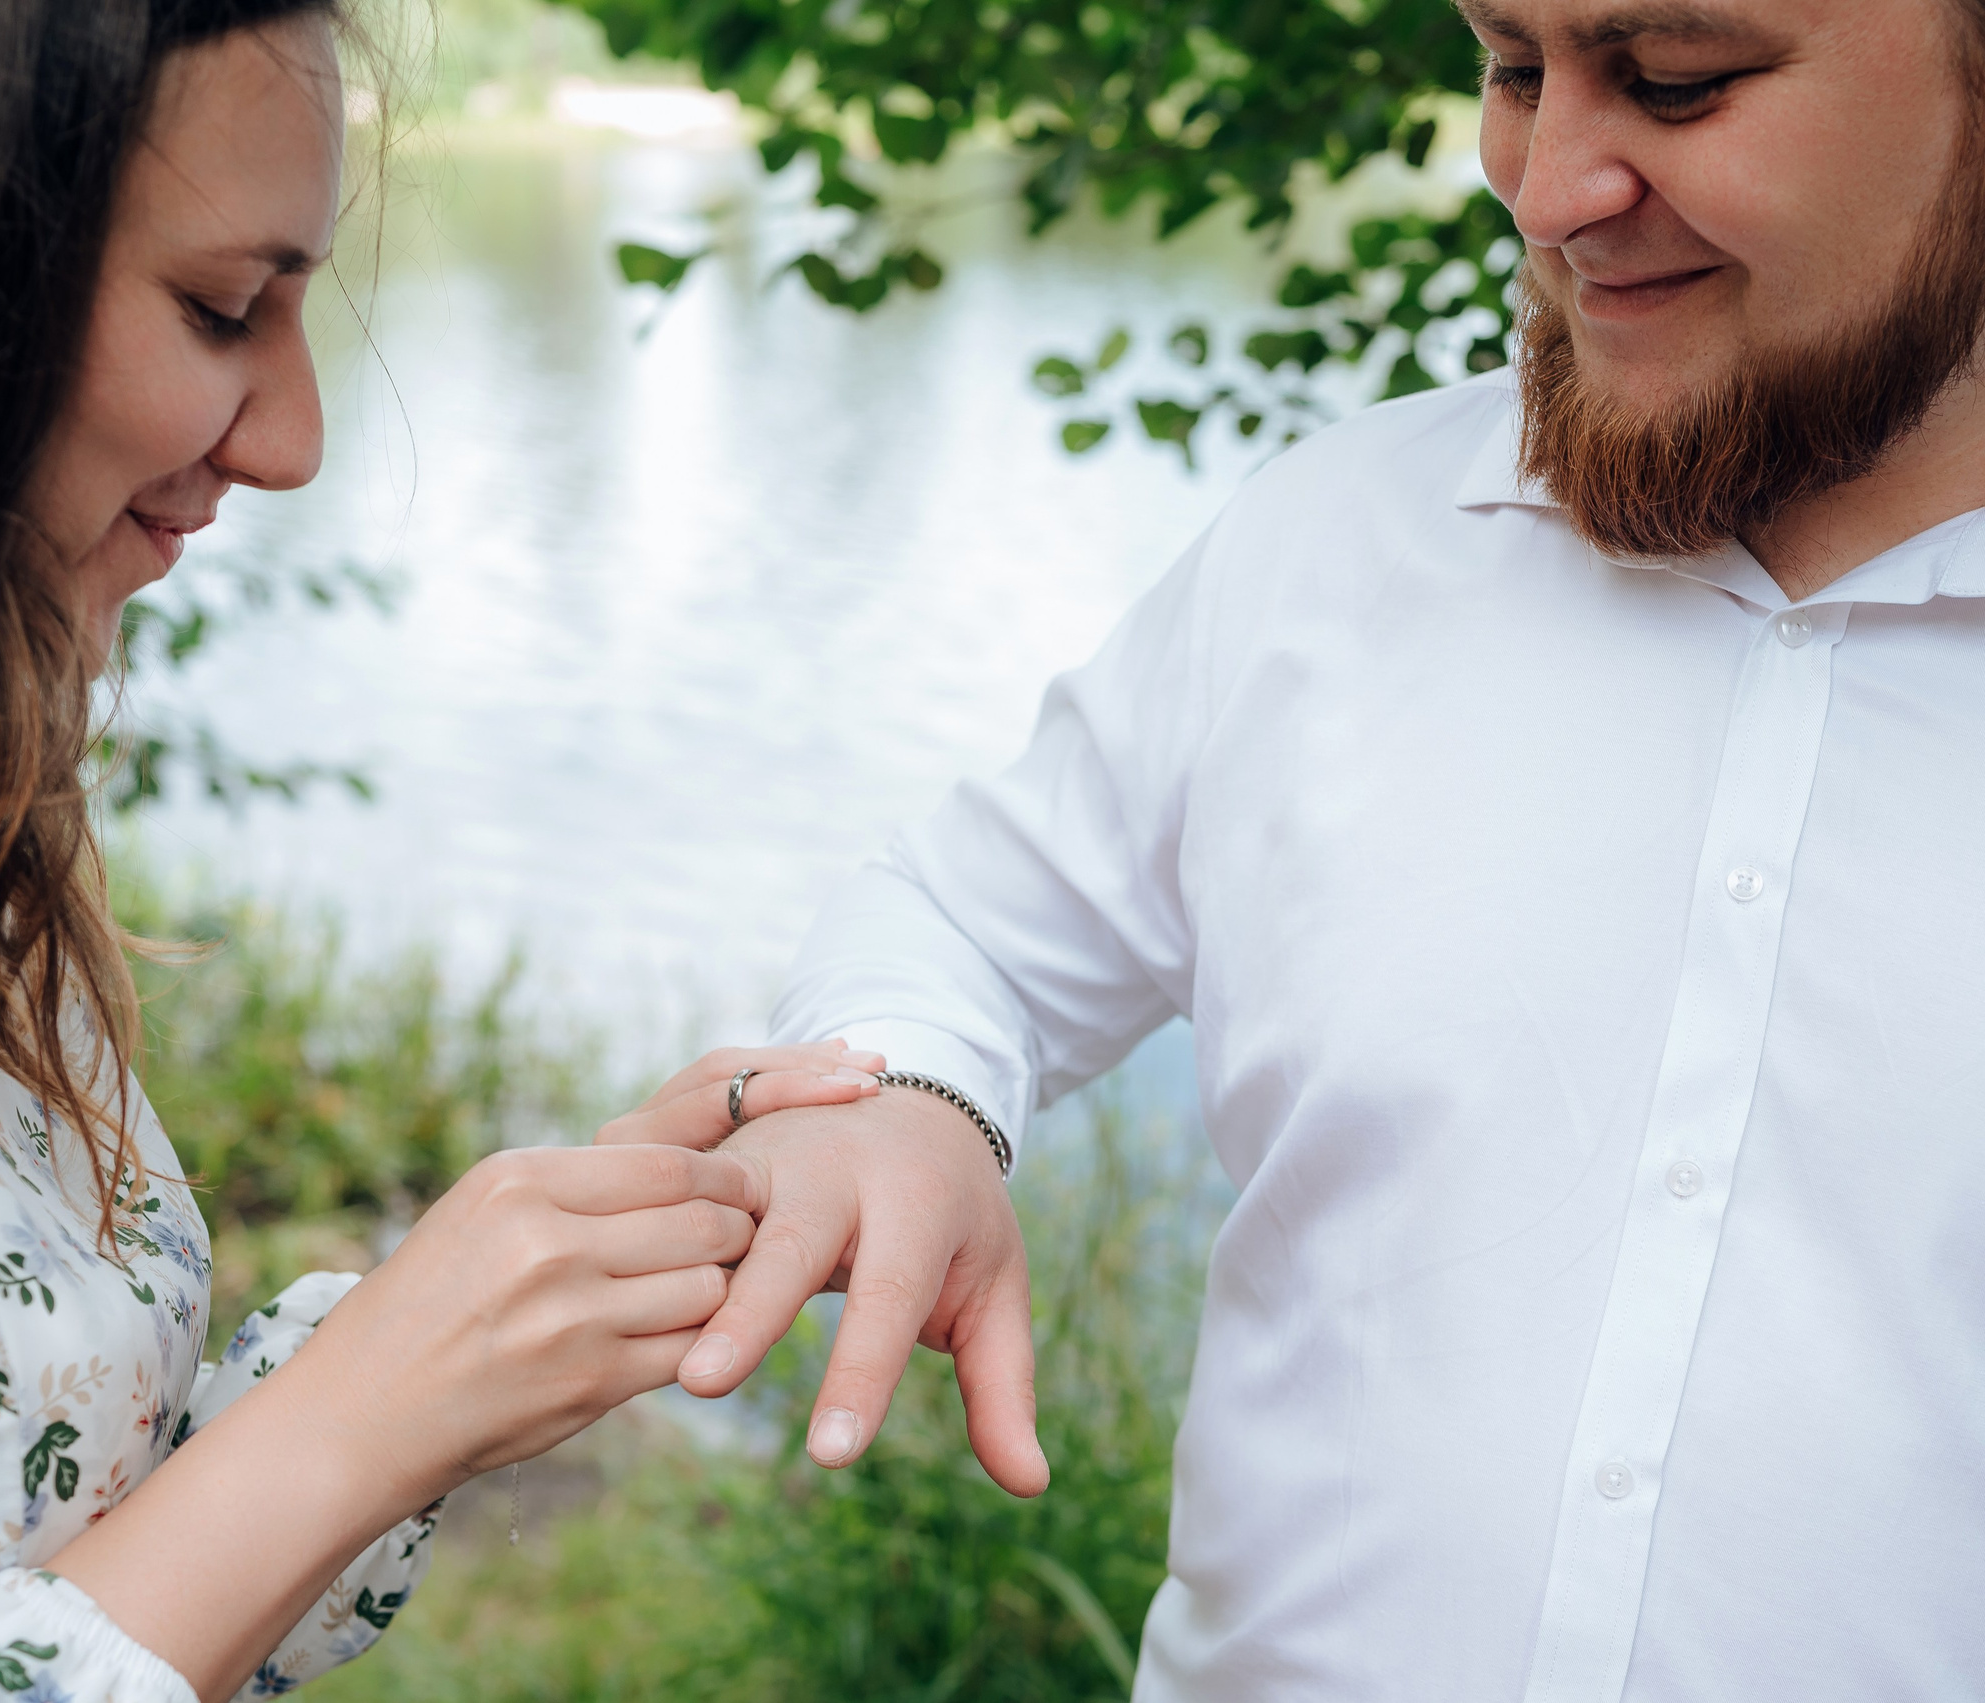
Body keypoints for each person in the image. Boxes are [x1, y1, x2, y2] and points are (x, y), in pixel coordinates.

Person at [0, 3, 891, 1699]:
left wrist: (504, 1303)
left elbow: (42, 1543)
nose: (292, 441)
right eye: (220, 310)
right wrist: (365, 1412)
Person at [646, 0, 1985, 1696]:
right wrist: (915, 1095)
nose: (1548, 184)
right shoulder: (1333, 542)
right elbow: (964, 926)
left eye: (1675, 84)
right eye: (1511, 68)